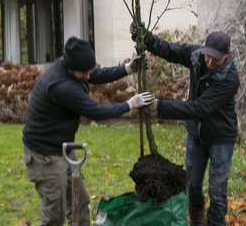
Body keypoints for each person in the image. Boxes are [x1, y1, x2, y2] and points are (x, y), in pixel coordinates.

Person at [22, 36, 154, 226]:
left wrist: (127, 68)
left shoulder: (69, 67)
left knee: (79, 202)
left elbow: (96, 74)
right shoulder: (63, 87)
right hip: (44, 156)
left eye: (88, 70)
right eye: (84, 72)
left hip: (62, 148)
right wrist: (129, 104)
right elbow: (97, 112)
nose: (89, 76)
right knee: (54, 216)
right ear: (71, 67)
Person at [131, 25, 239, 226]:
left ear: (228, 54)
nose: (210, 61)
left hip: (220, 137)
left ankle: (216, 223)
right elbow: (170, 50)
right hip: (196, 134)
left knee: (218, 189)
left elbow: (199, 107)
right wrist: (146, 38)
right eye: (208, 56)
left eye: (216, 58)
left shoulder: (229, 79)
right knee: (193, 184)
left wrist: (160, 106)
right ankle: (197, 221)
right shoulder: (197, 55)